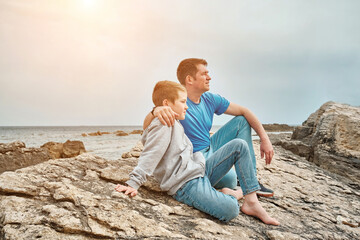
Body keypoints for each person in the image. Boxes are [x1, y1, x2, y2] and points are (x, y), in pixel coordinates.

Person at [116, 80, 279, 225]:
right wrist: (133, 183)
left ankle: (251, 201)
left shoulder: (174, 122)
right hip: (185, 184)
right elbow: (150, 153)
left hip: (198, 170)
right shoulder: (163, 124)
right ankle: (234, 196)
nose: (186, 106)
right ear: (167, 103)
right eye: (182, 101)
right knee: (231, 210)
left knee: (239, 145)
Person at [142, 58, 274, 197]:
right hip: (194, 157)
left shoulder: (209, 98)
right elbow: (147, 129)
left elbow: (245, 111)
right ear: (190, 79)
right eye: (204, 74)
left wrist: (264, 139)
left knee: (241, 121)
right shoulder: (177, 102)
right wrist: (155, 111)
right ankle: (240, 187)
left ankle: (250, 181)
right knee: (229, 180)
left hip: (211, 145)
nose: (209, 77)